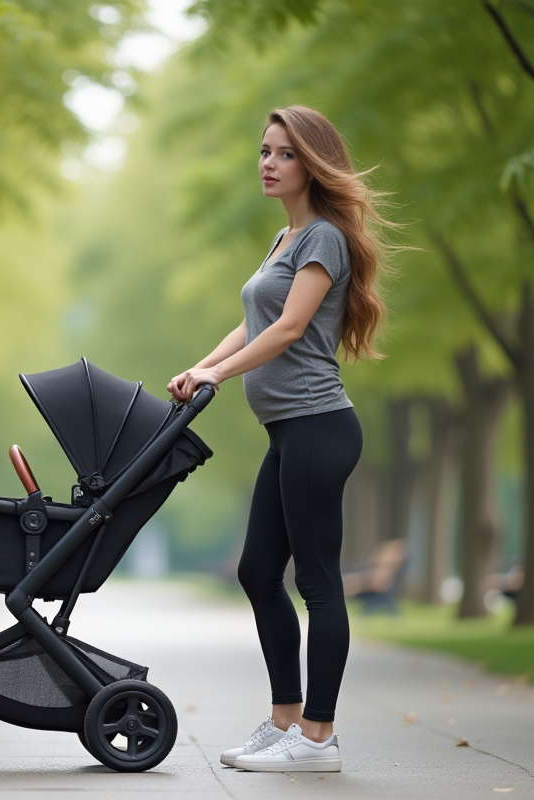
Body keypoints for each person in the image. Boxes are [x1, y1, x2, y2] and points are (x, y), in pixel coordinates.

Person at [167, 105, 395, 773]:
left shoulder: (323, 238)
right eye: (265, 151)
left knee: (317, 581)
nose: (269, 163)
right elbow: (253, 321)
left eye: (285, 153)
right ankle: (285, 721)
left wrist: (218, 374)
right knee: (258, 572)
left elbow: (290, 328)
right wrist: (201, 366)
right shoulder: (284, 238)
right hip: (289, 432)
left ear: (313, 164)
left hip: (319, 426)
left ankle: (318, 738)